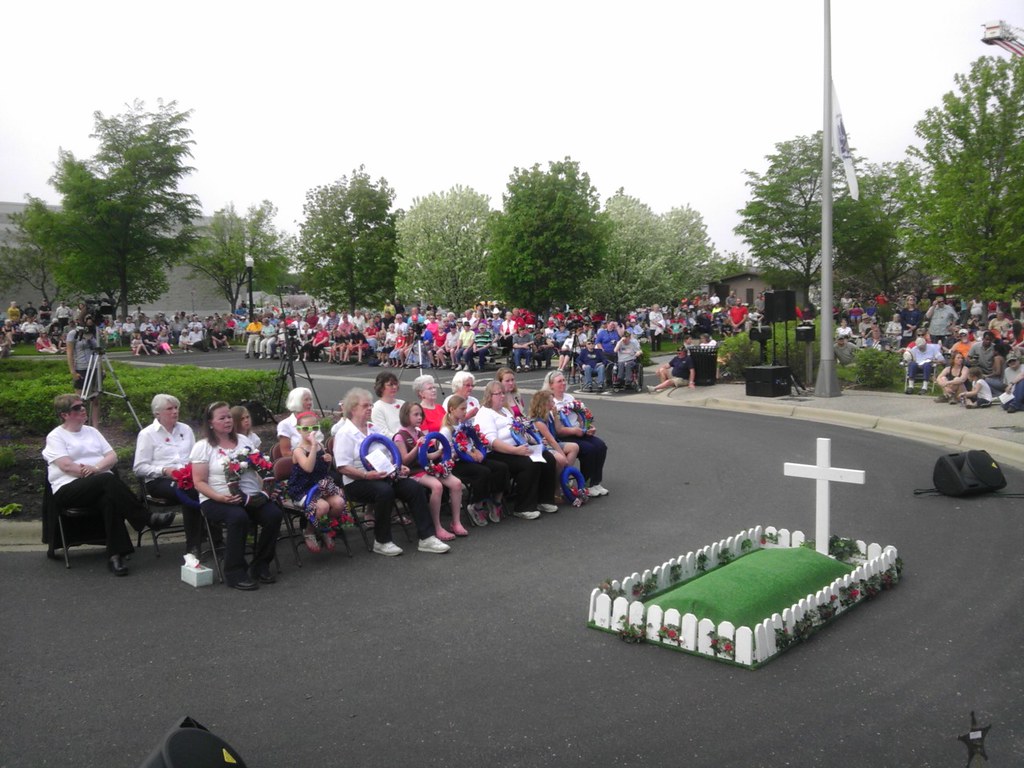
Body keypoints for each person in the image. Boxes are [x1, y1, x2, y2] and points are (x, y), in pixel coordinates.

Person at [43, 394, 175, 576]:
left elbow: (112, 456)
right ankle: (146, 518)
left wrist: (96, 468)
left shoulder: (92, 432)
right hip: (69, 488)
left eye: (83, 406)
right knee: (107, 479)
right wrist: (90, 472)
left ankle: (115, 556)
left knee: (108, 499)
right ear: (64, 414)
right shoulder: (56, 436)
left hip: (98, 484)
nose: (83, 409)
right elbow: (66, 465)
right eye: (77, 408)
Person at [332, 388, 450, 556]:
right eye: (365, 405)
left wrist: (397, 466)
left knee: (413, 487)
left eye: (370, 405)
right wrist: (366, 475)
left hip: (384, 475)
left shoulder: (373, 428)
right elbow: (342, 467)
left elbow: (389, 452)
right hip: (357, 480)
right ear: (353, 409)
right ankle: (382, 541)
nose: (369, 408)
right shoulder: (345, 433)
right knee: (384, 491)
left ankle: (427, 537)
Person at [190, 401, 283, 590]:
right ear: (210, 423)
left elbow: (260, 468)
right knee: (238, 517)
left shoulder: (244, 440)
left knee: (273, 514)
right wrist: (219, 498)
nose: (227, 421)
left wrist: (267, 490)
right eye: (221, 418)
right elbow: (198, 482)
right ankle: (234, 572)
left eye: (229, 417)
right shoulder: (203, 447)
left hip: (250, 496)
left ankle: (260, 564)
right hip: (217, 499)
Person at [473, 381, 557, 519]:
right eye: (498, 394)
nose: (502, 396)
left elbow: (519, 429)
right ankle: (523, 507)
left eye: (503, 393)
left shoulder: (505, 411)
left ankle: (544, 500)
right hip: (498, 452)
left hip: (517, 446)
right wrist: (514, 451)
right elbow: (491, 441)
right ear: (489, 396)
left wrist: (533, 440)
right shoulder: (485, 413)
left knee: (548, 457)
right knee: (528, 463)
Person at [133, 394, 201, 551]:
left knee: (208, 486)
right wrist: (163, 470)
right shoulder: (147, 434)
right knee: (190, 491)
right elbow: (139, 468)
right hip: (159, 480)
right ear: (157, 413)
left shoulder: (186, 429)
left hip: (189, 475)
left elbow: (196, 456)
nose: (175, 412)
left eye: (176, 408)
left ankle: (215, 538)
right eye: (169, 409)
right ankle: (193, 546)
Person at [393, 402, 467, 541]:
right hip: (413, 471)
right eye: (416, 414)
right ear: (406, 416)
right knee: (437, 486)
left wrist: (441, 451)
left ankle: (456, 522)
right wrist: (417, 446)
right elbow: (404, 461)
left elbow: (426, 456)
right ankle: (437, 526)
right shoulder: (400, 436)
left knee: (456, 483)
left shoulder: (419, 432)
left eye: (420, 414)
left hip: (426, 467)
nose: (420, 417)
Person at [440, 395, 509, 526]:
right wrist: (465, 453)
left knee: (501, 467)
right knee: (483, 472)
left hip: (469, 458)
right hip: (456, 463)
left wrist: (475, 451)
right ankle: (476, 505)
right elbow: (446, 453)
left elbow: (470, 443)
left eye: (466, 408)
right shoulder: (446, 430)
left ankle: (495, 501)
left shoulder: (463, 425)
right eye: (462, 409)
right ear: (452, 409)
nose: (465, 412)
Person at [288, 410, 346, 553]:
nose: (311, 432)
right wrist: (313, 447)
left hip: (320, 487)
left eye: (314, 428)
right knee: (323, 507)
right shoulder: (298, 450)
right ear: (298, 430)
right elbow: (308, 468)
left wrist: (327, 459)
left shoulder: (319, 446)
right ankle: (309, 531)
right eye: (306, 429)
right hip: (303, 489)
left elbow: (321, 470)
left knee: (339, 503)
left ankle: (323, 527)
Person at [543, 370, 609, 496]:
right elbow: (557, 429)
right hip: (564, 435)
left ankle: (596, 482)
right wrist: (573, 430)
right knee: (589, 449)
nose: (563, 383)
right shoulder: (551, 401)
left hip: (578, 431)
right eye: (559, 381)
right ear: (551, 385)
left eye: (563, 380)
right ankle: (586, 484)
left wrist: (587, 427)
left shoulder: (569, 398)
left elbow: (580, 415)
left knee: (600, 446)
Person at [527, 390, 580, 477]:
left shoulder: (549, 415)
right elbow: (551, 440)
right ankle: (558, 481)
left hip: (553, 443)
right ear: (545, 404)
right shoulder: (538, 421)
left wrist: (555, 416)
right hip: (545, 446)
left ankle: (565, 475)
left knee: (574, 447)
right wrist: (563, 456)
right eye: (551, 401)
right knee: (561, 460)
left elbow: (558, 429)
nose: (553, 402)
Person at [277, 387, 319, 456]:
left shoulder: (313, 420)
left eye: (310, 399)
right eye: (306, 400)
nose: (310, 403)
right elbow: (286, 453)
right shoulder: (285, 424)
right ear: (296, 402)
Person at [370, 371, 405, 436]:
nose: (394, 387)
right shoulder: (377, 408)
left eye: (395, 384)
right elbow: (383, 432)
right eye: (390, 385)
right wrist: (400, 440)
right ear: (381, 387)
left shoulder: (403, 403)